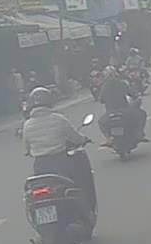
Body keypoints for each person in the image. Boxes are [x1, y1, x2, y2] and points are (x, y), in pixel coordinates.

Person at [21, 87, 96, 215]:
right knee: (82, 182)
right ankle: (88, 209)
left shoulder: (27, 125)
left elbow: (26, 148)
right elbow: (75, 137)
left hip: (40, 166)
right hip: (61, 162)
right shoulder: (58, 119)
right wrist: (84, 139)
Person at [98, 66, 148, 142]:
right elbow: (133, 94)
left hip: (110, 113)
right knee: (142, 114)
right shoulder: (121, 83)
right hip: (124, 111)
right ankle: (139, 134)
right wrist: (137, 97)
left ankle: (108, 139)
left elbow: (101, 100)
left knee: (101, 122)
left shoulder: (104, 86)